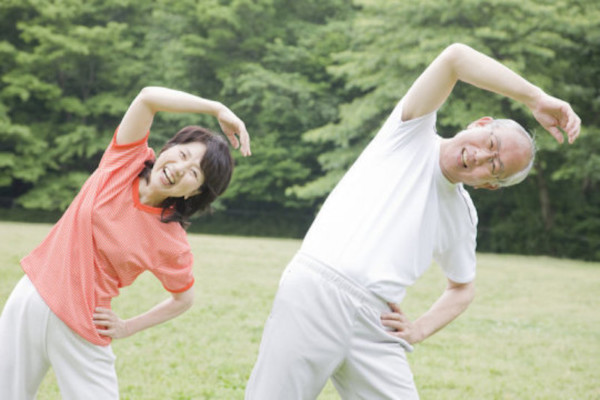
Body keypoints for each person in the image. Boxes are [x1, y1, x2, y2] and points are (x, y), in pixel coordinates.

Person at [245, 43, 580, 399]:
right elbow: (455, 58)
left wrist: (418, 329)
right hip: (317, 290)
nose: (480, 156)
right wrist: (535, 97)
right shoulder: (410, 133)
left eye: (493, 167)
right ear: (480, 123)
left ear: (488, 186)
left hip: (376, 326)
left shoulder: (462, 216)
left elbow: (462, 288)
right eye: (490, 142)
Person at [0, 86, 251, 399]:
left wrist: (127, 326)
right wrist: (216, 107)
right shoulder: (125, 160)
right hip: (30, 298)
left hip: (83, 326)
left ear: (194, 193)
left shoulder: (171, 242)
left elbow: (183, 299)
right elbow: (147, 97)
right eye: (183, 155)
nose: (181, 169)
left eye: (194, 174)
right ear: (168, 147)